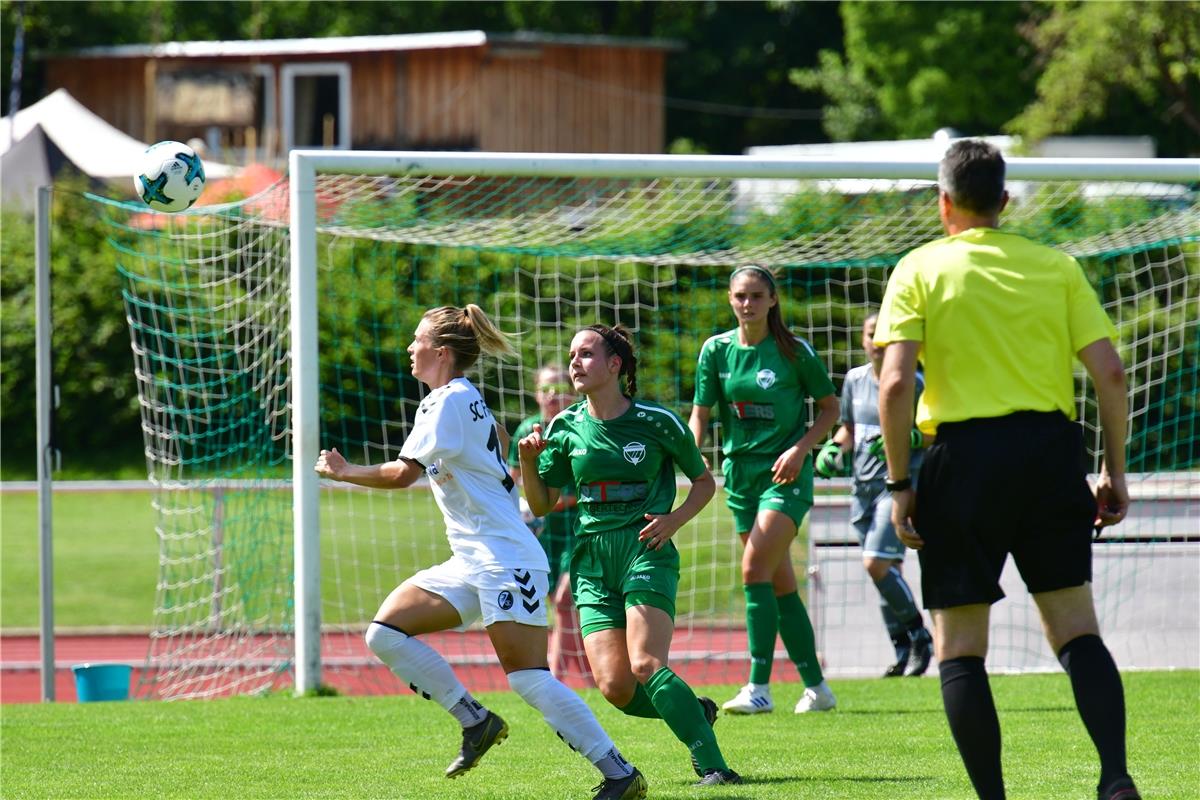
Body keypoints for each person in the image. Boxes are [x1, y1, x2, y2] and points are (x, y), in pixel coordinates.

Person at [875, 140, 1139, 800]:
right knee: (1077, 629)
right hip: (1051, 453)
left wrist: (901, 484)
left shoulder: (919, 267)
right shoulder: (1055, 266)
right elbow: (1109, 370)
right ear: (1004, 201)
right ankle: (1115, 776)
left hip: (960, 460)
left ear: (944, 204)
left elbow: (895, 382)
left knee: (960, 647)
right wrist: (1114, 472)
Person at [314, 305, 647, 800]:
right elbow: (499, 449)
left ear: (441, 353)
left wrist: (344, 471)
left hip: (506, 558)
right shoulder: (460, 400)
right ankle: (476, 721)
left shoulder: (447, 402)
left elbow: (403, 473)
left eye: (417, 340)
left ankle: (620, 773)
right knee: (385, 632)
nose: (410, 348)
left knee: (529, 679)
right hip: (472, 559)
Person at [519, 324, 742, 786]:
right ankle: (693, 711)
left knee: (645, 665)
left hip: (646, 551)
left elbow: (704, 482)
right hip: (592, 564)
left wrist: (674, 520)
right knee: (617, 687)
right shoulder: (564, 427)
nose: (574, 363)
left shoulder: (657, 422)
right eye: (571, 355)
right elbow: (541, 503)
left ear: (614, 365)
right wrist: (527, 460)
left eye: (585, 354)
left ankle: (715, 767)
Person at [687, 265, 840, 715]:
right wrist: (690, 454)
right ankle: (817, 687)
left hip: (785, 478)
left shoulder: (794, 351)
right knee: (779, 583)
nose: (747, 303)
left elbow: (830, 408)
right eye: (740, 296)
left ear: (773, 300)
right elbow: (701, 413)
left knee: (753, 568)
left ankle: (758, 686)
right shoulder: (715, 351)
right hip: (740, 477)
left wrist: (800, 450)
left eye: (756, 295)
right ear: (730, 300)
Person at [813, 312, 934, 677]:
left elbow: (931, 432)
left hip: (897, 487)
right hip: (861, 487)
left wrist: (907, 439)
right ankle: (903, 651)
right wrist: (834, 450)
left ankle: (920, 636)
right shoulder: (854, 379)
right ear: (863, 340)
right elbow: (848, 429)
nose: (878, 341)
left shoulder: (915, 381)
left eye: (886, 334)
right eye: (871, 334)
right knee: (885, 569)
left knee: (875, 562)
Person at [508, 364, 592, 684]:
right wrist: (520, 510)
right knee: (561, 609)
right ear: (536, 394)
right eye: (546, 390)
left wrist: (538, 505)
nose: (553, 396)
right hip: (542, 534)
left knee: (564, 600)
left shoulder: (579, 427)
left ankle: (554, 680)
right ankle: (590, 678)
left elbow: (572, 495)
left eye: (560, 388)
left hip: (579, 529)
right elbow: (512, 479)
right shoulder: (527, 430)